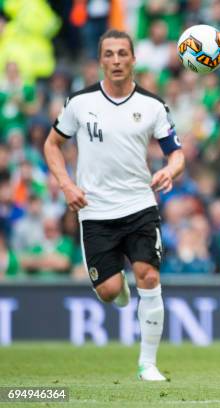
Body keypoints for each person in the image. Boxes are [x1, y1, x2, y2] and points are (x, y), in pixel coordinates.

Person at [43, 29, 185, 381]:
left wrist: (170, 169)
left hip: (139, 204)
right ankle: (117, 287)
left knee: (148, 276)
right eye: (109, 54)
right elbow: (51, 145)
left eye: (123, 53)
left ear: (134, 59)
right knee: (109, 292)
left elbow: (177, 153)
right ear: (101, 60)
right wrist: (66, 185)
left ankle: (147, 364)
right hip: (95, 209)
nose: (117, 60)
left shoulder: (152, 106)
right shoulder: (79, 103)